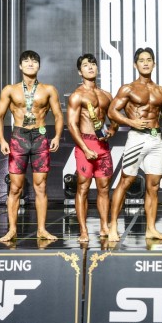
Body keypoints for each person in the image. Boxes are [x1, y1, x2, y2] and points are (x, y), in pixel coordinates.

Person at [107, 46, 162, 242]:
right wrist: (131, 122)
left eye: (149, 60)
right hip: (136, 137)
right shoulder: (128, 88)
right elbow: (112, 112)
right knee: (125, 181)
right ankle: (113, 227)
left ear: (154, 64)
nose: (145, 63)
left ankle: (151, 229)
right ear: (135, 65)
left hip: (156, 139)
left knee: (154, 185)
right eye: (141, 60)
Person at [0, 50, 63, 243]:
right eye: (26, 61)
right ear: (20, 65)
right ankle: (12, 230)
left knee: (41, 186)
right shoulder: (10, 90)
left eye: (34, 61)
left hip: (40, 137)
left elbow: (58, 115)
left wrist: (57, 136)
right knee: (15, 187)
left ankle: (41, 229)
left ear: (39, 66)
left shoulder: (49, 90)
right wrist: (2, 140)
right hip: (19, 137)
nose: (30, 64)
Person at [67, 55, 117, 243]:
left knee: (104, 188)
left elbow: (114, 119)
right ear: (80, 71)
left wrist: (112, 130)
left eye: (93, 64)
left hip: (103, 146)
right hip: (85, 145)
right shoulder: (77, 95)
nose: (90, 67)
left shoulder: (106, 95)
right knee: (83, 188)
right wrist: (85, 148)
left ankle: (104, 226)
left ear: (97, 68)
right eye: (85, 65)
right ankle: (83, 230)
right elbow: (72, 125)